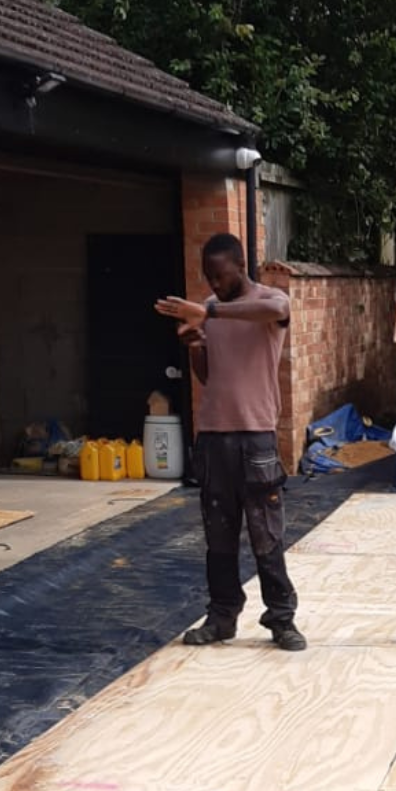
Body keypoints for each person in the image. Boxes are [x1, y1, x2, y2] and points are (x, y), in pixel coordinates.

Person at [155, 234, 306, 650]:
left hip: (256, 438)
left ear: (242, 266)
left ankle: (281, 619)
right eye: (209, 277)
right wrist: (195, 344)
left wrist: (209, 312)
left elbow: (277, 310)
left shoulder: (266, 301)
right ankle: (222, 617)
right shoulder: (208, 310)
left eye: (221, 276)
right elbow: (210, 376)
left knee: (266, 535)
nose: (215, 284)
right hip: (213, 438)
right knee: (218, 539)